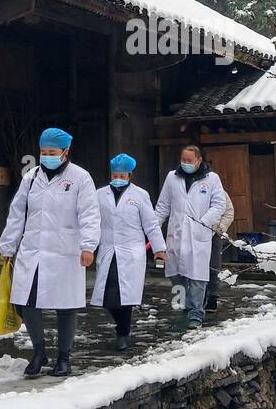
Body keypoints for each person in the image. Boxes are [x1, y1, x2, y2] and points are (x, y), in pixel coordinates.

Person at [0, 127, 99, 377]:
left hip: (66, 252)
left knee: (66, 306)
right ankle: (39, 352)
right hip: (34, 251)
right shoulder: (31, 177)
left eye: (52, 152)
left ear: (65, 152)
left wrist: (88, 246)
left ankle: (64, 358)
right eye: (43, 152)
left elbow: (89, 214)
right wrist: (8, 246)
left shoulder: (80, 177)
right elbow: (17, 212)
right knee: (28, 303)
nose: (46, 156)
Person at [91, 153, 167, 351]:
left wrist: (159, 249)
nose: (118, 178)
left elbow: (150, 224)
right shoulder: (99, 195)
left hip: (131, 251)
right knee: (108, 296)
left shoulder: (140, 195)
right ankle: (120, 325)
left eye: (122, 175)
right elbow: (91, 223)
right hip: (108, 249)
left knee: (124, 296)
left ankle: (123, 333)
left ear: (130, 175)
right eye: (115, 174)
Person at [156, 143, 227, 329]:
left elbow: (219, 205)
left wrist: (203, 222)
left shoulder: (212, 179)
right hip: (176, 233)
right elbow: (163, 205)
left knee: (197, 276)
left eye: (189, 160)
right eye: (183, 160)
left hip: (199, 234)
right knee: (174, 273)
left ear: (199, 160)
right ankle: (183, 305)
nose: (185, 163)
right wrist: (154, 227)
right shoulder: (172, 177)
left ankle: (196, 313)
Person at [206, 189, 235, 314]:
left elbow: (229, 211)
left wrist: (220, 228)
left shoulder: (218, 190)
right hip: (191, 235)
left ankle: (212, 297)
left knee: (213, 267)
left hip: (213, 234)